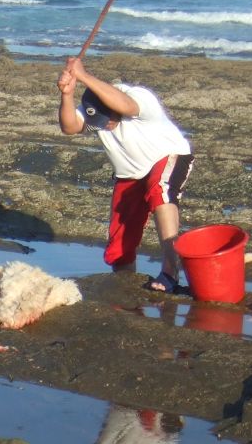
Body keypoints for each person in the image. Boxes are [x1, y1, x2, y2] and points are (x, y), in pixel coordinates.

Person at [57, 56, 193, 293]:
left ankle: (170, 271)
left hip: (167, 156)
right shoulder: (95, 109)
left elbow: (126, 106)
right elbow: (69, 127)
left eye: (107, 121)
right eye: (98, 122)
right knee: (119, 236)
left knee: (159, 192)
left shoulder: (140, 99)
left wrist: (84, 75)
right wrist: (67, 94)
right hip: (130, 172)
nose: (104, 126)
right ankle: (124, 281)